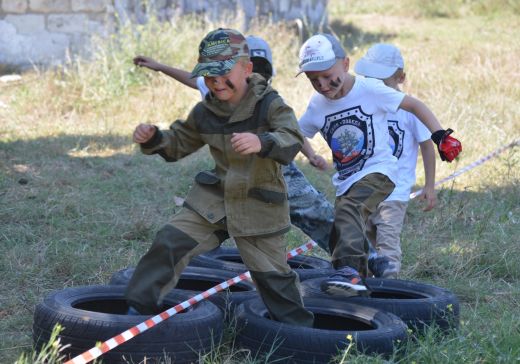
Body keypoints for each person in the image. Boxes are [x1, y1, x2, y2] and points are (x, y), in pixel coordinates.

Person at [125, 28, 314, 327]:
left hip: (259, 202)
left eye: (223, 74)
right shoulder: (205, 110)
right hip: (215, 200)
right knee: (170, 241)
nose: (215, 82)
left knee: (273, 278)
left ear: (247, 69)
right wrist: (153, 138)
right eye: (209, 75)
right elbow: (178, 144)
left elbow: (291, 137)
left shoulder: (270, 103)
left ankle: (302, 336)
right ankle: (135, 312)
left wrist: (262, 142)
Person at [133, 35, 334, 253]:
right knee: (205, 219)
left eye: (261, 71)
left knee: (318, 214)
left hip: (275, 169)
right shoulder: (219, 89)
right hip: (234, 173)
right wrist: (159, 67)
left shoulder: (267, 99)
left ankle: (361, 261)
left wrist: (311, 154)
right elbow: (192, 79)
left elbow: (290, 131)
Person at [296, 34, 462, 297]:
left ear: (346, 64)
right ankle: (361, 278)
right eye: (313, 80)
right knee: (342, 228)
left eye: (328, 76)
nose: (323, 85)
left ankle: (357, 273)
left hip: (379, 171)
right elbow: (296, 132)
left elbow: (414, 104)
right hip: (347, 180)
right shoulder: (317, 105)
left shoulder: (369, 89)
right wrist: (311, 154)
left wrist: (440, 134)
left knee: (351, 212)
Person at [353, 43, 437, 278]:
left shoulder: (410, 109)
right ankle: (363, 288)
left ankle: (389, 293)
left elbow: (427, 146)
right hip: (364, 190)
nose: (378, 88)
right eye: (372, 80)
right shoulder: (364, 102)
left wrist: (429, 185)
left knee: (387, 246)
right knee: (362, 243)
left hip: (394, 193)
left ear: (401, 77)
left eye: (384, 82)